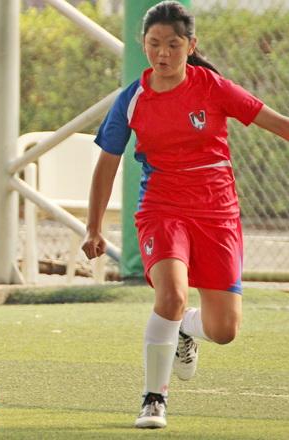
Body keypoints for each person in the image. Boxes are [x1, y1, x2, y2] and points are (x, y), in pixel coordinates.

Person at [82, 0, 289, 429]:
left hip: (218, 214)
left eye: (173, 45)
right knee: (171, 295)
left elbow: (277, 122)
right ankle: (153, 398)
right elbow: (107, 164)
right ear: (143, 45)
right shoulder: (131, 100)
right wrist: (93, 226)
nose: (163, 53)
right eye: (154, 44)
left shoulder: (212, 87)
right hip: (163, 208)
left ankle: (185, 331)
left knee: (225, 330)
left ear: (191, 45)